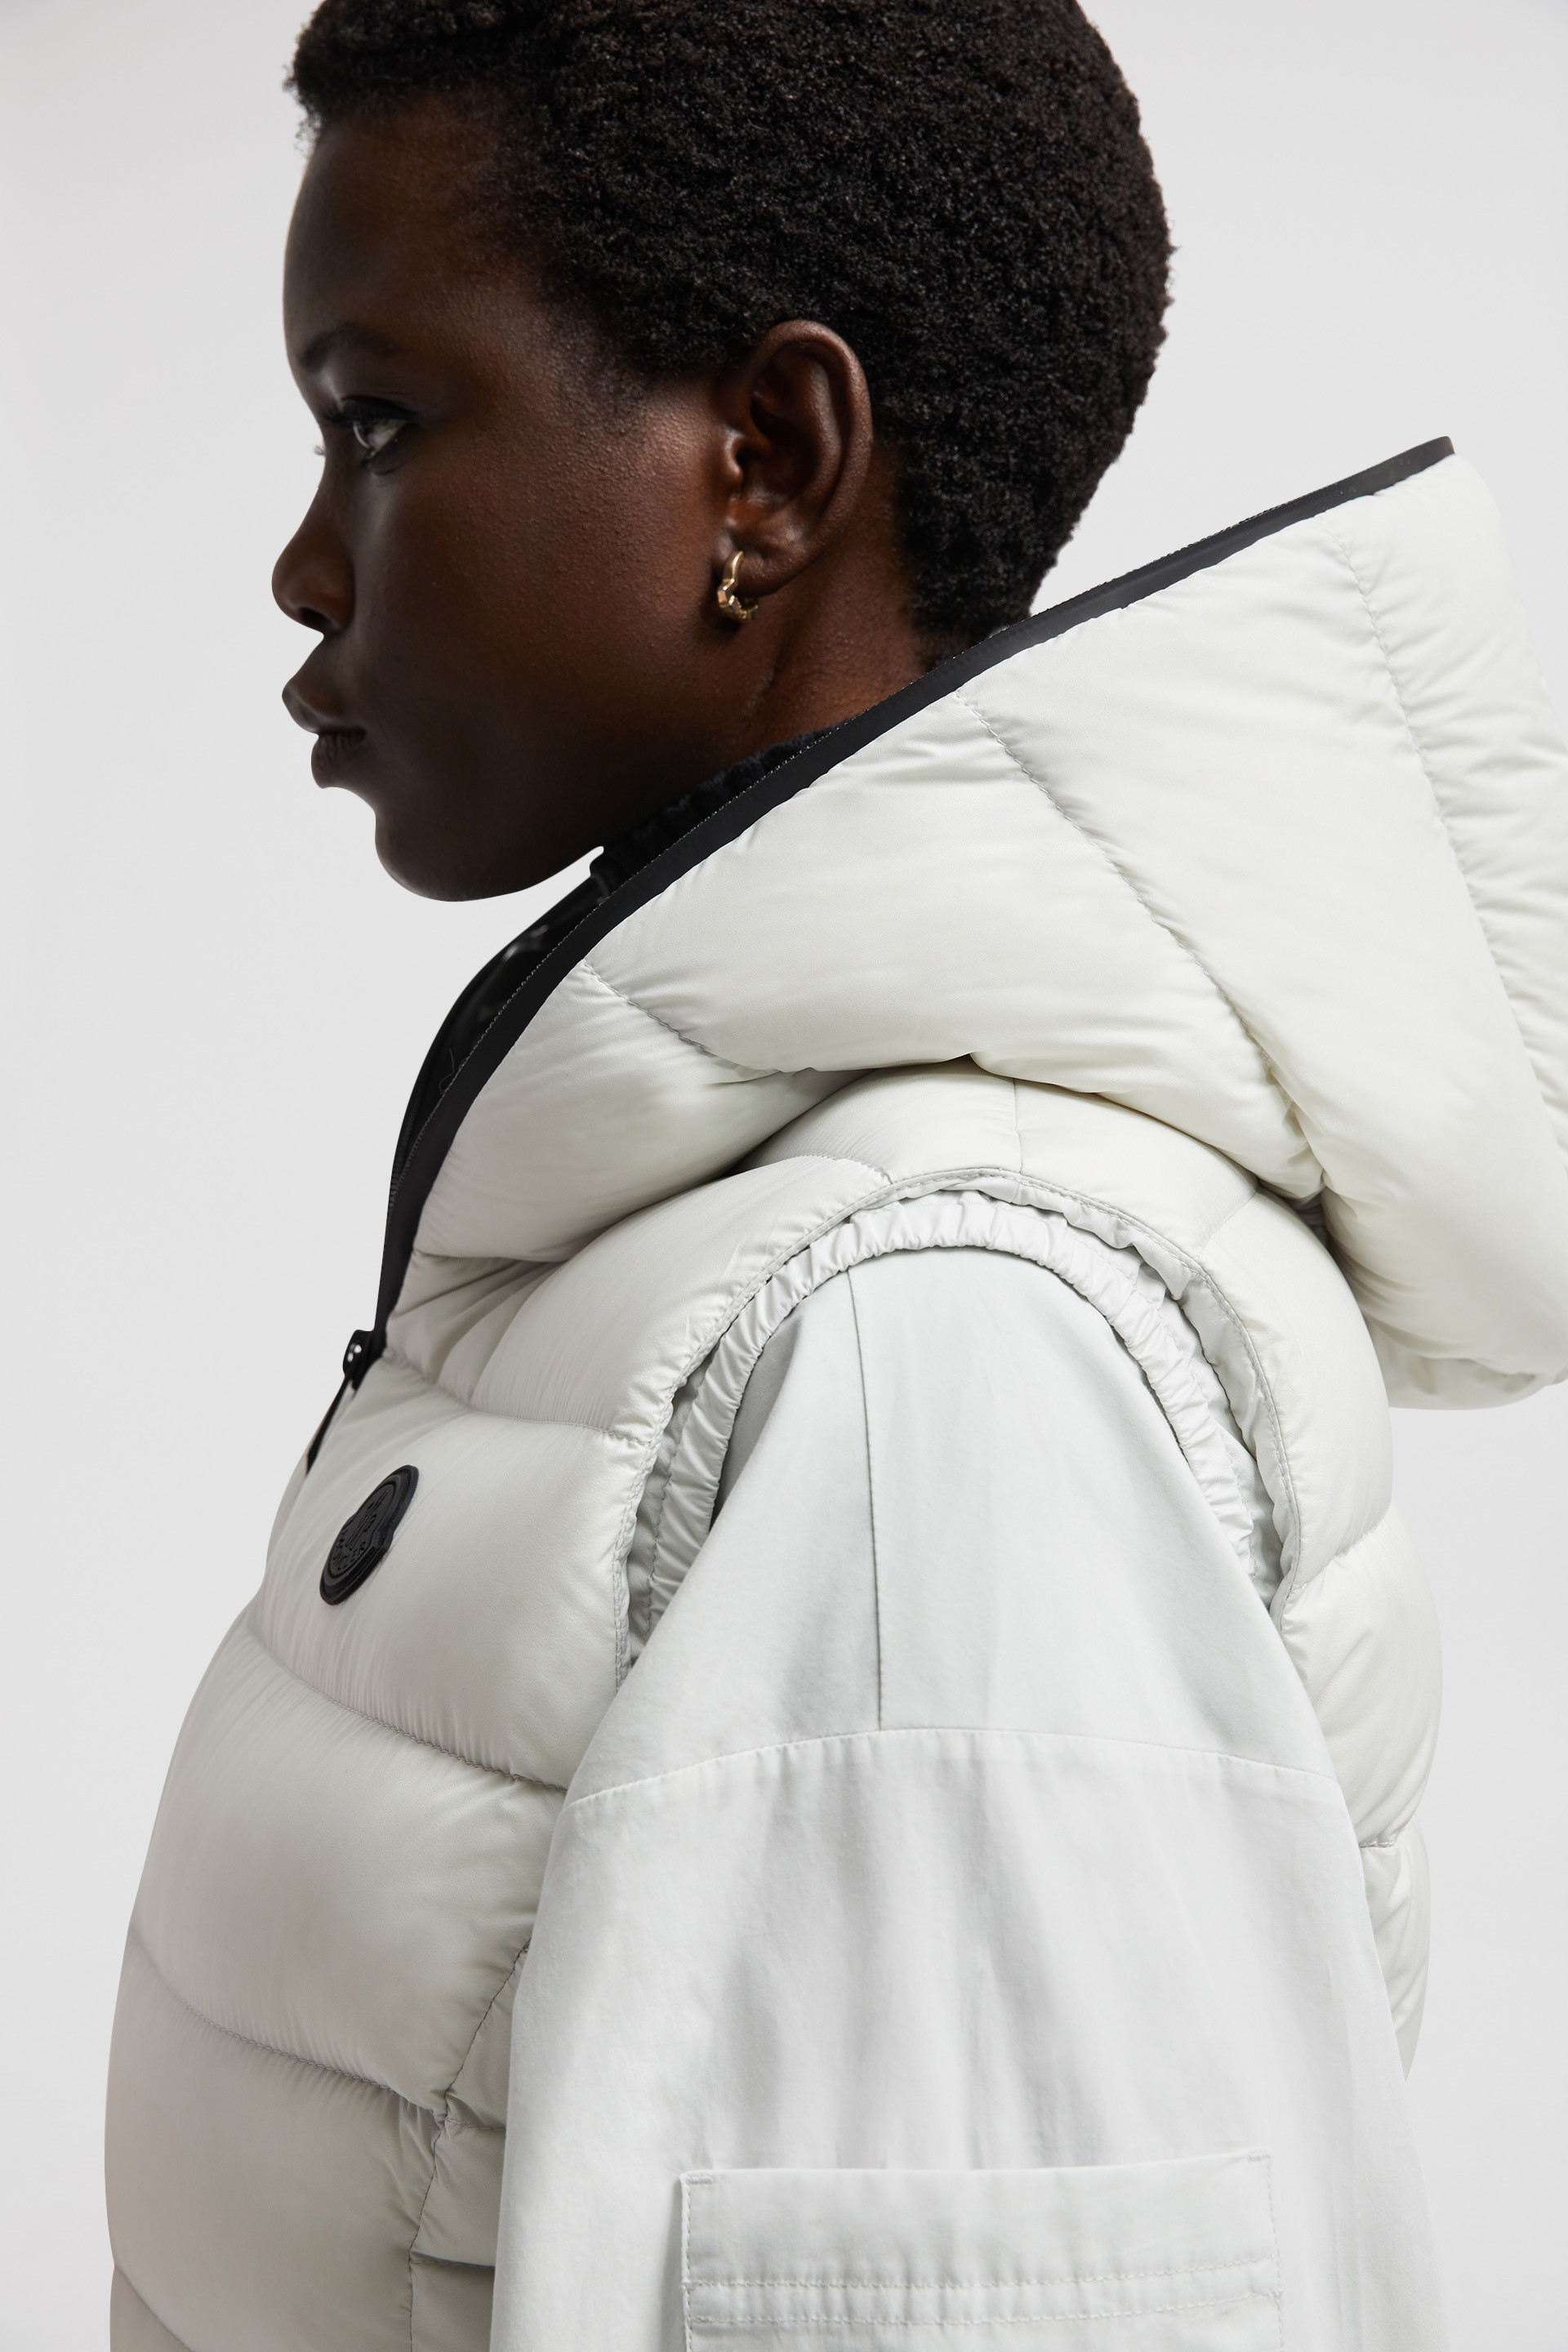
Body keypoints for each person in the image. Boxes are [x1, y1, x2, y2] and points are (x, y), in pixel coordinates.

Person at [104, 3, 1568, 2348]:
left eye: (377, 424)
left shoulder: (930, 1342)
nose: (302, 566)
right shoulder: (746, 1242)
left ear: (770, 465)